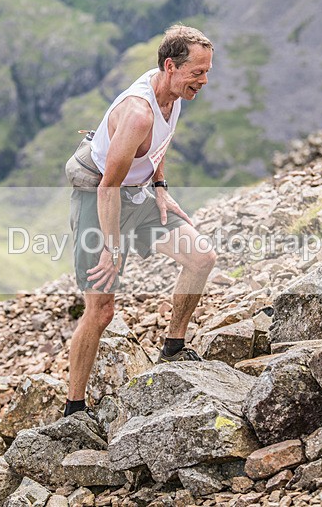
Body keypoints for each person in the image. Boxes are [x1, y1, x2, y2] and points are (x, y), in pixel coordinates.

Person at [64, 25, 217, 417]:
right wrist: (112, 249)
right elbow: (107, 188)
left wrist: (161, 185)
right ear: (170, 66)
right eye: (198, 72)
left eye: (207, 71)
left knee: (202, 258)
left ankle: (173, 347)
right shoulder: (137, 113)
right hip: (100, 200)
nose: (204, 80)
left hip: (140, 195)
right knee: (101, 309)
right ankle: (74, 407)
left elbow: (158, 146)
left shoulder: (175, 94)